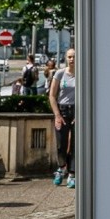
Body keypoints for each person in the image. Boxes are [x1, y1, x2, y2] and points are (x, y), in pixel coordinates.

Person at [48, 48, 76, 189]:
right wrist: (57, 114)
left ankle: (72, 173)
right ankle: (61, 167)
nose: (72, 59)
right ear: (66, 58)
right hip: (63, 109)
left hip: (77, 110)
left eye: (74, 57)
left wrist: (81, 114)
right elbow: (52, 95)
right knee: (61, 143)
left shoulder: (82, 73)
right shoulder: (60, 73)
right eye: (69, 57)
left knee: (76, 144)